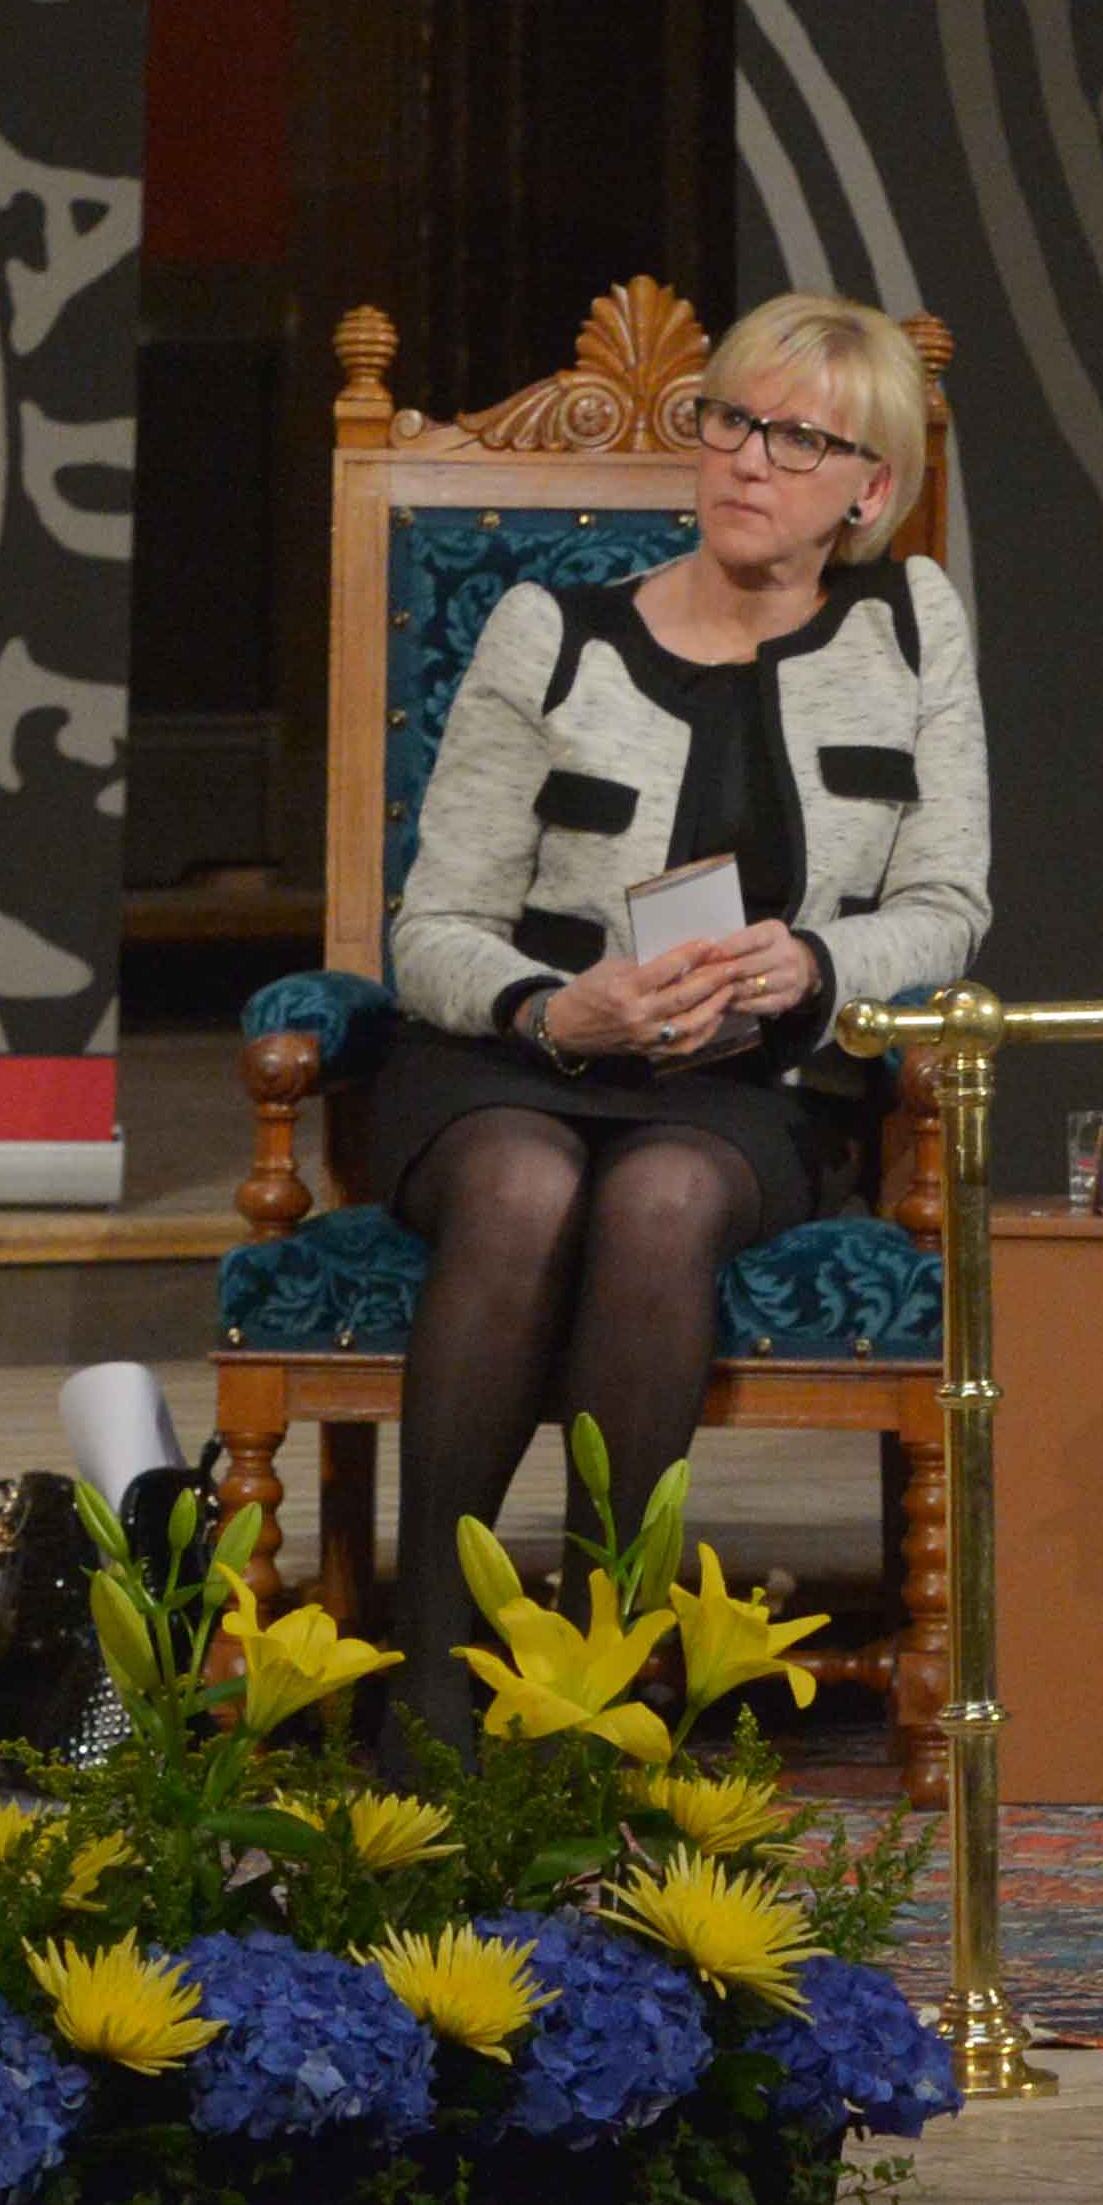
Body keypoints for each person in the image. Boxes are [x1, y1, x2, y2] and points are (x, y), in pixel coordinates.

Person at [367, 295, 989, 1753]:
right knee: (525, 1184)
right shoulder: (555, 635)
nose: (747, 461)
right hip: (515, 1065)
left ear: (871, 490)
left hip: (755, 1089)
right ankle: (430, 1680)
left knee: (656, 1199)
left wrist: (818, 967)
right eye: (728, 421)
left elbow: (949, 903)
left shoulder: (908, 627)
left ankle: (594, 1674)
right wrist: (549, 1002)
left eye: (797, 438)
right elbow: (432, 930)